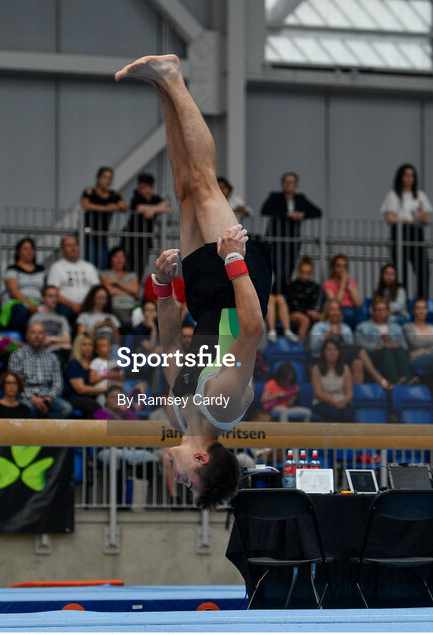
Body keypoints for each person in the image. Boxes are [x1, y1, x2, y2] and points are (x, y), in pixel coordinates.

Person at [116, 53, 273, 509]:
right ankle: (173, 78)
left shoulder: (179, 415)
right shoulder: (223, 406)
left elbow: (169, 342)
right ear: (202, 459)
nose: (180, 479)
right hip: (237, 286)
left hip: (206, 303)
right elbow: (252, 329)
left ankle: (162, 87)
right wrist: (235, 260)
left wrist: (163, 287)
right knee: (205, 186)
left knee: (184, 192)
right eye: (190, 482)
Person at [261, 171, 321, 293]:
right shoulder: (275, 197)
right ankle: (276, 296)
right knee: (280, 273)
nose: (289, 184)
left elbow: (318, 211)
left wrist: (302, 214)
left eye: (292, 182)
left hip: (292, 241)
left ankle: (276, 297)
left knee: (288, 273)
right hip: (277, 240)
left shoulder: (300, 198)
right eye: (286, 181)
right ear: (282, 184)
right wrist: (286, 214)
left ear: (296, 185)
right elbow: (265, 210)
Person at [309, 299, 390, 388]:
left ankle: (354, 394)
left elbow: (350, 347)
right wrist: (327, 336)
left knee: (358, 363)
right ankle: (377, 377)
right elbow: (314, 347)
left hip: (342, 357)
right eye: (332, 309)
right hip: (323, 358)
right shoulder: (319, 326)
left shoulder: (345, 328)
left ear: (340, 312)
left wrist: (341, 336)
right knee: (358, 349)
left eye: (337, 309)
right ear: (327, 311)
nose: (335, 312)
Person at [381, 164, 431, 299]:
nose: (409, 179)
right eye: (406, 175)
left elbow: (427, 217)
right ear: (400, 177)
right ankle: (401, 299)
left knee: (423, 270)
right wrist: (408, 219)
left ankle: (421, 301)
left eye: (412, 176)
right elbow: (390, 217)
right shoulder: (393, 195)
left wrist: (419, 218)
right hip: (400, 233)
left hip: (416, 233)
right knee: (400, 270)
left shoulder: (420, 195)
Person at [8, 322, 74, 419]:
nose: (37, 336)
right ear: (27, 336)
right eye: (33, 332)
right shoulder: (17, 356)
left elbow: (58, 382)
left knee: (66, 408)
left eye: (40, 333)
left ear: (44, 337)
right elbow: (16, 382)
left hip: (48, 398)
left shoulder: (52, 357)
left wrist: (49, 397)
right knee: (28, 408)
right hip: (26, 398)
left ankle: (46, 427)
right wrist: (31, 397)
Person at [123, 172, 171, 276]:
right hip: (131, 238)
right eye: (142, 187)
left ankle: (136, 283)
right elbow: (139, 208)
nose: (145, 190)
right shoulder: (136, 197)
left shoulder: (155, 199)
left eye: (148, 187)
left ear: (152, 188)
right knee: (127, 264)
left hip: (145, 240)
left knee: (141, 265)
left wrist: (152, 210)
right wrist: (157, 209)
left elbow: (167, 207)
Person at [356, 297, 411, 386]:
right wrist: (376, 347)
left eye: (383, 310)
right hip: (373, 354)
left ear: (388, 312)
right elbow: (359, 344)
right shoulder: (363, 327)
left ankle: (407, 380)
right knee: (386, 350)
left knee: (400, 350)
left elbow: (405, 346)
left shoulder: (396, 327)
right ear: (373, 312)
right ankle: (395, 381)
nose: (380, 312)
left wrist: (397, 345)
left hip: (394, 352)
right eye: (377, 310)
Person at [47, 235, 101, 324]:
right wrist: (73, 305)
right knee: (64, 311)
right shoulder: (56, 267)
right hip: (66, 306)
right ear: (62, 250)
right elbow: (53, 293)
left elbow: (97, 289)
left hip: (88, 305)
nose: (73, 248)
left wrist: (86, 305)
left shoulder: (89, 266)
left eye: (75, 245)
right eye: (69, 245)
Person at [81, 166, 128, 267]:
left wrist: (115, 206)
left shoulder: (113, 194)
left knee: (103, 261)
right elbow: (85, 204)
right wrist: (105, 208)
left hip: (103, 233)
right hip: (90, 232)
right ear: (98, 179)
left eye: (110, 178)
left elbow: (124, 207)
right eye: (105, 177)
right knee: (90, 260)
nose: (107, 181)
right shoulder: (90, 192)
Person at [0, 237, 47, 334]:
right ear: (18, 252)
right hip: (18, 303)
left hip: (38, 305)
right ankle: (13, 338)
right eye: (26, 249)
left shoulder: (41, 270)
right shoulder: (12, 270)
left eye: (31, 249)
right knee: (21, 310)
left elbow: (46, 290)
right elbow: (14, 292)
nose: (29, 252)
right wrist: (29, 304)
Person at [404, 298, 433, 395]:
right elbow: (414, 343)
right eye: (418, 308)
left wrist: (424, 350)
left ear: (427, 311)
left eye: (424, 308)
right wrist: (430, 343)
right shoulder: (408, 327)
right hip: (416, 360)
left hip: (431, 358)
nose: (421, 311)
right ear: (413, 311)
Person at [311, 339, 353, 422]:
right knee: (333, 412)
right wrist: (333, 402)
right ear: (324, 352)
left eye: (335, 350)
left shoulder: (346, 369)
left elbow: (349, 393)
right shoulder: (316, 369)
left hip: (342, 401)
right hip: (323, 402)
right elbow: (318, 393)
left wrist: (342, 402)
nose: (332, 353)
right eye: (329, 350)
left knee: (348, 414)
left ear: (339, 352)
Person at [283, 257, 322, 343]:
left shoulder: (315, 287)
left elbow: (316, 303)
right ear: (298, 271)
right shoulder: (292, 286)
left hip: (310, 313)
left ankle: (319, 347)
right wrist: (307, 312)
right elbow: (293, 305)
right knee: (305, 320)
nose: (305, 275)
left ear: (311, 273)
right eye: (303, 272)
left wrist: (315, 312)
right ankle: (300, 347)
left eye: (308, 273)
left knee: (325, 318)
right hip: (294, 313)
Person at [64, 334, 105, 418]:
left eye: (90, 345)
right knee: (94, 407)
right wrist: (104, 388)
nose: (88, 348)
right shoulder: (74, 364)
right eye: (84, 345)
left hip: (92, 396)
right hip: (75, 397)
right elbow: (81, 389)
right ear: (78, 347)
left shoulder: (94, 363)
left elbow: (103, 374)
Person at [28, 285, 72, 361]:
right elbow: (35, 340)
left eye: (56, 297)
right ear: (43, 298)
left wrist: (50, 340)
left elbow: (67, 339)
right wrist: (59, 342)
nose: (54, 299)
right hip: (42, 353)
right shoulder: (35, 317)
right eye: (50, 296)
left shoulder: (62, 318)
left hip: (61, 352)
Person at [100, 247, 140, 328]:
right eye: (116, 256)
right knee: (127, 322)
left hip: (134, 307)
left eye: (122, 257)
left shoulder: (132, 275)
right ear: (110, 259)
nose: (119, 260)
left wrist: (115, 281)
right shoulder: (104, 274)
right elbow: (110, 291)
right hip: (116, 306)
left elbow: (135, 289)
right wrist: (130, 291)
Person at [321, 254, 362, 329]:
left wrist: (348, 283)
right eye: (338, 266)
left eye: (344, 266)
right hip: (340, 310)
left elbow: (359, 303)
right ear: (333, 267)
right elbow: (335, 303)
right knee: (347, 312)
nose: (341, 269)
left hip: (353, 309)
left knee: (363, 311)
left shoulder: (351, 282)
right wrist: (343, 284)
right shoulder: (328, 284)